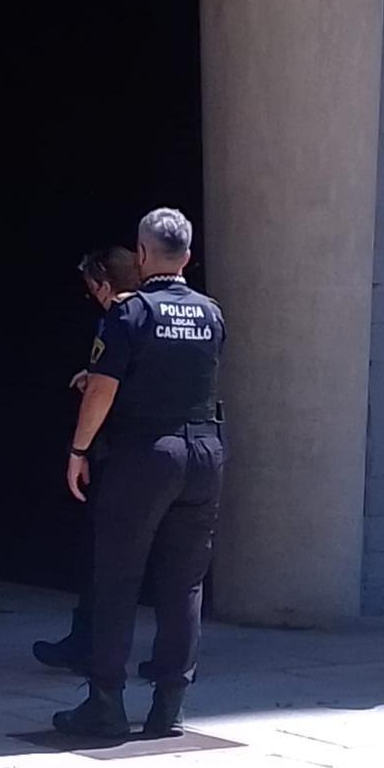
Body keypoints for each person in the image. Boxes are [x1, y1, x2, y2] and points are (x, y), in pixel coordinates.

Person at [53, 208, 225, 739]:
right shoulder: (212, 313)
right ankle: (169, 704)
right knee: (184, 584)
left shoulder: (130, 314)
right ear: (189, 258)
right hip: (206, 452)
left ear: (142, 255)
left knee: (118, 578)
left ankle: (105, 700)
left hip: (146, 454)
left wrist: (79, 448)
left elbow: (104, 389)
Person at [32, 247, 142, 675]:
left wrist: (78, 450)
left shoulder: (120, 318)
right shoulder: (171, 315)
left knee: (103, 555)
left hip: (122, 453)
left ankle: (93, 652)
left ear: (102, 284)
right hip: (180, 451)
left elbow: (108, 390)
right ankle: (172, 663)